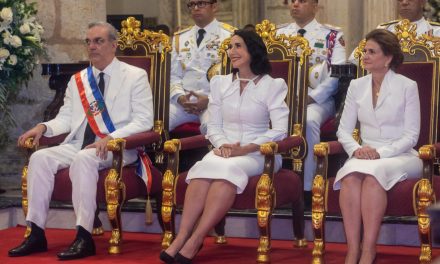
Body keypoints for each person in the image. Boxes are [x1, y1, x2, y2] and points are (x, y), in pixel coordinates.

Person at [8, 22, 153, 260]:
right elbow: (66, 118)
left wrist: (111, 138)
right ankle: (35, 233)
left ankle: (83, 236)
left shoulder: (135, 76)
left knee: (85, 159)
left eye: (98, 41)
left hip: (118, 148)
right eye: (88, 42)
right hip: (79, 144)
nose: (92, 46)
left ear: (114, 45)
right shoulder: (79, 80)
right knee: (40, 157)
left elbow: (144, 121)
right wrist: (42, 127)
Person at [159, 29, 289, 264]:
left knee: (226, 173)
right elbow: (214, 124)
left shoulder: (274, 85)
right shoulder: (220, 83)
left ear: (253, 50)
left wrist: (247, 148)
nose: (232, 52)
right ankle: (182, 237)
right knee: (200, 171)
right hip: (224, 149)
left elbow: (280, 130)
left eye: (238, 46)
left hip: (259, 153)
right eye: (230, 47)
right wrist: (220, 145)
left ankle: (197, 238)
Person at [335, 29, 421, 264]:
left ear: (388, 57)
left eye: (372, 52)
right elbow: (343, 130)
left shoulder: (407, 86)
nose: (365, 56)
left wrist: (379, 153)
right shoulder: (356, 86)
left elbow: (411, 135)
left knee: (373, 177)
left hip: (401, 154)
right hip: (364, 153)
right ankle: (353, 249)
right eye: (365, 51)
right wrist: (356, 150)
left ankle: (368, 250)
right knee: (350, 177)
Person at [276, 0, 346, 198]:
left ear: (315, 6)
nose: (295, 5)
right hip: (282, 99)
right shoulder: (278, 35)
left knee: (308, 120)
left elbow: (336, 73)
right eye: (292, 1)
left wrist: (312, 97)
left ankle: (307, 188)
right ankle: (271, 179)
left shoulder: (331, 36)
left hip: (319, 101)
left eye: (302, 1)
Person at [169, 0, 235, 134]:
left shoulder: (231, 36)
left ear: (214, 6)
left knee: (212, 129)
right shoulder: (180, 38)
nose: (196, 8)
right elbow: (173, 75)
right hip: (185, 102)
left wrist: (210, 99)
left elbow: (237, 77)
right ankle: (164, 155)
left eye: (201, 4)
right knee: (156, 122)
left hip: (215, 102)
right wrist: (180, 97)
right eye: (192, 4)